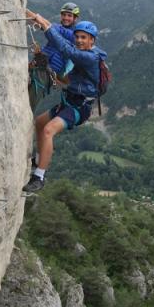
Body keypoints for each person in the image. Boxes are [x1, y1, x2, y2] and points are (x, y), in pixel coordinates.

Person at [23, 10, 108, 193]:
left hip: (79, 108)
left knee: (48, 131)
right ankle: (39, 159)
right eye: (77, 36)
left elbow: (65, 48)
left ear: (92, 40)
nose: (79, 40)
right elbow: (70, 81)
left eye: (84, 38)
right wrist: (49, 71)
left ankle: (39, 176)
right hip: (67, 101)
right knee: (39, 123)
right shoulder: (83, 53)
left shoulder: (89, 57)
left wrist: (44, 25)